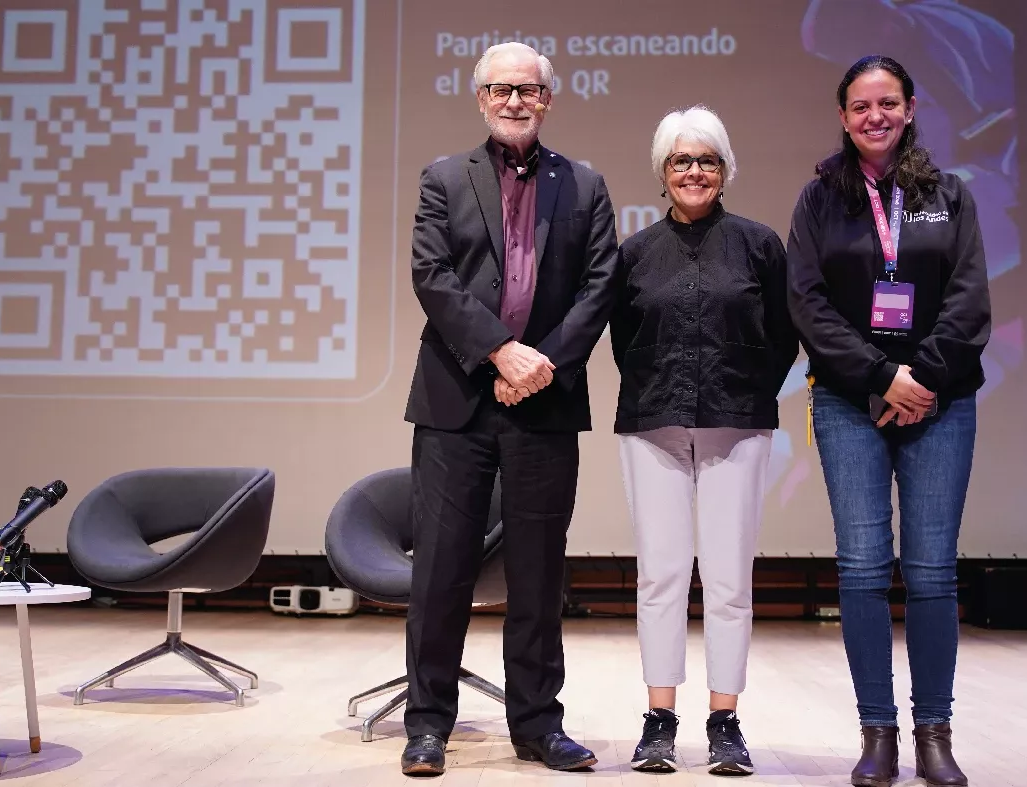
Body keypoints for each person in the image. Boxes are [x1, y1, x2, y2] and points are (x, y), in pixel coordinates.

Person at [399, 41, 620, 777]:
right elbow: (431, 275)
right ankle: (427, 723)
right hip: (455, 399)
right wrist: (501, 352)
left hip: (545, 404)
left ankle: (536, 723)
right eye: (501, 89)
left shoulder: (585, 185)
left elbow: (600, 288)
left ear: (549, 98)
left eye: (528, 89)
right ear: (480, 97)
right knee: (440, 571)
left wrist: (539, 364)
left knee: (537, 573)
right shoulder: (442, 177)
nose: (515, 100)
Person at [785, 55, 991, 787]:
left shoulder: (948, 196)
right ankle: (878, 734)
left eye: (888, 103)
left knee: (933, 569)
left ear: (909, 109)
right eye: (861, 106)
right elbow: (806, 304)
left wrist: (921, 377)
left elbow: (970, 301)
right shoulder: (819, 202)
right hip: (848, 401)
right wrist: (881, 377)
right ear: (843, 117)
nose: (875, 116)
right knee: (864, 566)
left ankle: (935, 731)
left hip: (941, 401)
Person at [609, 105, 798, 776]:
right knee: (659, 574)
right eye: (681, 161)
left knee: (727, 578)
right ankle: (658, 721)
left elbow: (783, 335)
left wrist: (742, 391)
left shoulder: (759, 244)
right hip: (652, 423)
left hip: (737, 423)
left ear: (725, 170)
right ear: (662, 173)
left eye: (707, 160)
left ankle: (725, 721)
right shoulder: (633, 252)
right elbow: (622, 345)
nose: (694, 171)